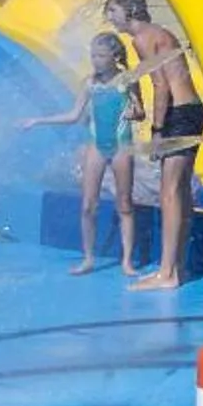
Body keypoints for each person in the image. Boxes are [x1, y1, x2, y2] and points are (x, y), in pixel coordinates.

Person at [18, 31, 142, 275]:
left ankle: (127, 261)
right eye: (93, 55)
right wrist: (38, 120)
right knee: (87, 205)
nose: (95, 60)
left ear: (115, 56)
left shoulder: (127, 80)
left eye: (101, 55)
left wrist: (134, 113)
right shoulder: (90, 83)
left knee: (125, 204)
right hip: (96, 145)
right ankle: (88, 258)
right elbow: (74, 115)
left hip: (121, 146)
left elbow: (140, 112)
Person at [102, 0, 200, 290]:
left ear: (130, 12)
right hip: (192, 110)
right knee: (179, 191)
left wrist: (157, 131)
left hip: (178, 114)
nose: (110, 19)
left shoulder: (142, 38)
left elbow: (161, 86)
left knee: (169, 192)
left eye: (113, 13)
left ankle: (166, 273)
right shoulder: (160, 33)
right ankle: (177, 268)